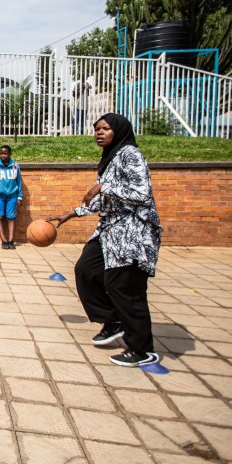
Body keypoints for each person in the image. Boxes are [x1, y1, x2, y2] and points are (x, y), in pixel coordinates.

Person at [47, 113, 162, 367]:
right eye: (96, 129)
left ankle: (142, 349)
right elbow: (101, 200)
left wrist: (104, 187)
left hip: (133, 233)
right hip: (110, 231)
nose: (99, 133)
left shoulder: (130, 154)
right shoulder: (111, 157)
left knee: (124, 288)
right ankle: (114, 320)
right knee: (86, 270)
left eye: (105, 128)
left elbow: (143, 193)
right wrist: (71, 213)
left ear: (118, 130)